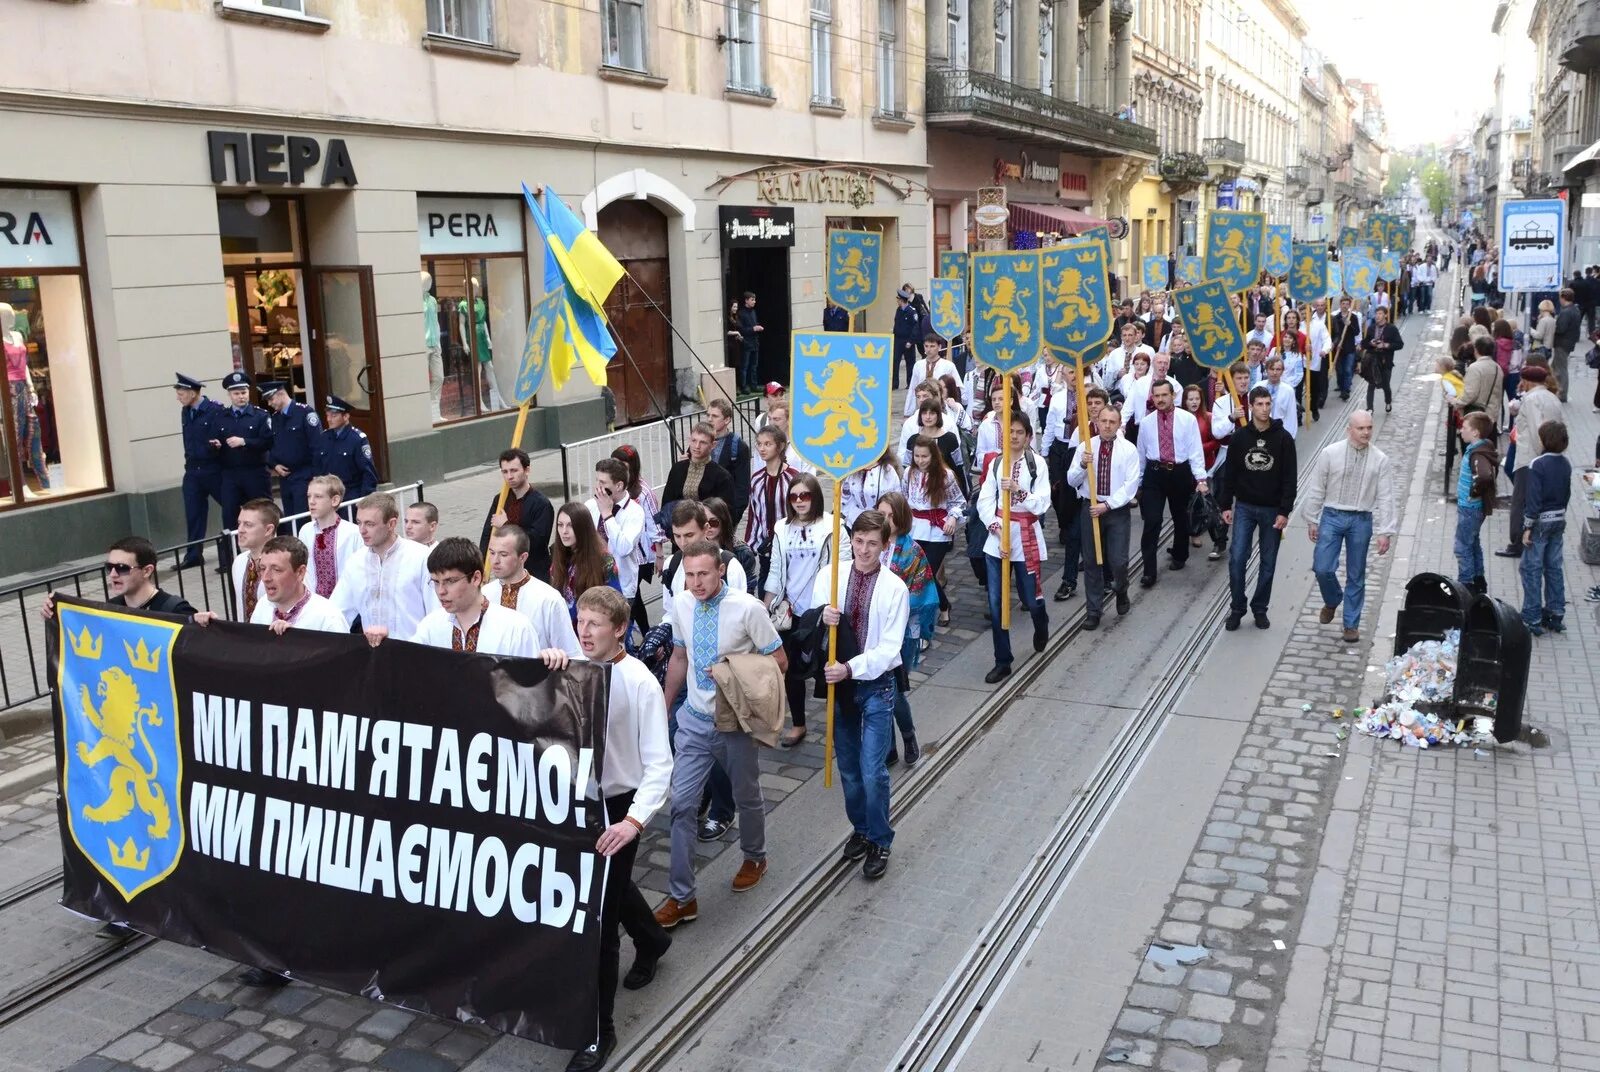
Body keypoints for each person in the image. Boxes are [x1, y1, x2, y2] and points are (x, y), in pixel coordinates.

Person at [536, 586, 673, 1072]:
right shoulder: (570, 665)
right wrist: (546, 662)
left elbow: (659, 763)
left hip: (618, 804)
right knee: (608, 890)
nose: (584, 631)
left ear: (620, 629)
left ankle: (600, 1030)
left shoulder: (639, 683)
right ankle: (654, 939)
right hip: (574, 800)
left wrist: (633, 822)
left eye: (595, 623)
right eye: (581, 621)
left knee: (597, 918)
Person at [654, 539, 787, 929]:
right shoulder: (681, 605)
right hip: (694, 720)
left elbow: (778, 662)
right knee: (680, 805)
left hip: (736, 722)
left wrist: (734, 671)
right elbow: (679, 657)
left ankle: (755, 856)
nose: (695, 583)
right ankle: (682, 898)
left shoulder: (748, 608)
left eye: (703, 574)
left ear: (721, 570)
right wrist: (664, 704)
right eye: (689, 575)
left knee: (746, 794)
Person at [816, 509, 909, 880]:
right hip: (840, 688)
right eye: (858, 541)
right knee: (850, 771)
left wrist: (851, 668)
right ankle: (863, 829)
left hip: (875, 688)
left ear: (885, 546)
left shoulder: (895, 589)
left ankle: (881, 839)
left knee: (873, 773)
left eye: (873, 543)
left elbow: (889, 650)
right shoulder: (831, 576)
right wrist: (822, 617)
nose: (864, 550)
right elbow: (811, 619)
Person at [1302, 410, 1397, 643]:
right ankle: (1333, 599)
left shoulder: (1380, 460)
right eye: (1361, 428)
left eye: (1369, 428)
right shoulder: (1330, 454)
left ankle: (1351, 624)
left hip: (1361, 519)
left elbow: (1386, 497)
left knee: (1356, 573)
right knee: (1322, 567)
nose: (1366, 432)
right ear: (1349, 430)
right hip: (1332, 515)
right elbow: (1317, 487)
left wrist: (1385, 530)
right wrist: (1312, 518)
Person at [976, 409, 1050, 682]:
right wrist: (995, 528)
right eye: (1011, 432)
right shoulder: (996, 463)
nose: (1015, 436)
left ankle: (1041, 623)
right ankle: (1002, 659)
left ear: (1028, 436)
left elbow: (1042, 503)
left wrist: (1019, 490)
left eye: (1020, 432)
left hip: (1025, 536)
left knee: (1030, 598)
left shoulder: (1037, 464)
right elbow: (984, 500)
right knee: (997, 603)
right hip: (998, 539)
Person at [1217, 386, 1298, 630]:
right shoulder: (1240, 437)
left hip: (1272, 509)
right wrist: (1225, 504)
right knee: (1237, 558)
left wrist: (1285, 510)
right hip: (1244, 506)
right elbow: (1230, 472)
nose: (1264, 409)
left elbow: (1289, 477)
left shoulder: (1283, 438)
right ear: (1251, 406)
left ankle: (1260, 607)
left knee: (1268, 562)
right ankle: (1237, 606)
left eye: (1267, 404)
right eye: (1260, 404)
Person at [376, 536, 538, 656]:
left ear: (476, 578)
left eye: (450, 581)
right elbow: (407, 663)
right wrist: (384, 643)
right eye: (435, 582)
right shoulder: (431, 626)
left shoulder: (515, 629)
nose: (441, 591)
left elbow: (530, 689)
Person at [763, 472, 832, 747]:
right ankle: (799, 723)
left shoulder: (831, 525)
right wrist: (766, 607)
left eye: (805, 495)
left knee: (824, 666)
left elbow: (840, 568)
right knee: (791, 669)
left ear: (815, 496)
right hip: (789, 609)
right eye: (794, 496)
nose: (799, 501)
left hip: (820, 608)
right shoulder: (782, 527)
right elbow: (777, 569)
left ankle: (838, 720)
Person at [1067, 404, 1141, 630]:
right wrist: (1082, 465)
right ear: (1097, 422)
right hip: (1090, 508)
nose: (1107, 425)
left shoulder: (1128, 450)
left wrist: (1107, 505)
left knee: (1118, 561)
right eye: (1103, 421)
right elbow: (1072, 480)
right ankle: (1094, 610)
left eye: (1112, 422)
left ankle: (1121, 588)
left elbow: (1131, 486)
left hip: (1115, 511)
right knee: (1091, 562)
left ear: (1119, 424)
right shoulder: (1085, 447)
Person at [331, 492, 439, 639]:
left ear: (391, 524)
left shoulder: (421, 557)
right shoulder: (356, 562)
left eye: (370, 524)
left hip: (415, 652)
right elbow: (336, 612)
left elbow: (436, 612)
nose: (362, 530)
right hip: (373, 654)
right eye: (359, 522)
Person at [1134, 380, 1208, 586]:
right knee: (1152, 521)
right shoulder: (1147, 422)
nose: (1160, 399)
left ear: (1173, 395)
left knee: (1181, 517)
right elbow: (1141, 453)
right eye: (1156, 396)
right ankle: (1149, 570)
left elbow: (1195, 451)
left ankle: (1180, 554)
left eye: (1163, 395)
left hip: (1179, 473)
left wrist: (1200, 479)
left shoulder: (1187, 419)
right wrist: (1138, 483)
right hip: (1154, 474)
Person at [876, 491, 931, 768]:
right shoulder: (872, 546)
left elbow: (919, 593)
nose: (885, 520)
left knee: (894, 689)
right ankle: (887, 745)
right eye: (881, 514)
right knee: (878, 688)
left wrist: (893, 609)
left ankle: (907, 734)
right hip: (874, 631)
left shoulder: (913, 551)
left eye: (890, 515)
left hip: (901, 632)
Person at [42, 536, 198, 621]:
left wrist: (204, 623)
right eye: (110, 567)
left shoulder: (176, 610)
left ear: (147, 571)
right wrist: (55, 614)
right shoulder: (110, 608)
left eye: (122, 568)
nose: (113, 574)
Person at [482, 525, 582, 655]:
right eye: (492, 552)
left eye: (503, 554)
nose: (494, 561)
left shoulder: (549, 599)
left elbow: (572, 654)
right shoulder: (484, 594)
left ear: (523, 557)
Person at [1499, 365, 1563, 557]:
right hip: (1548, 456)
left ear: (1527, 381)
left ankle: (1517, 542)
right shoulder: (1552, 397)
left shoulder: (1531, 399)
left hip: (1530, 459)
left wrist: (1539, 459)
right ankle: (1536, 539)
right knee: (1538, 500)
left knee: (1520, 501)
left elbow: (1537, 431)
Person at [905, 435, 965, 629]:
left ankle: (940, 607)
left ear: (933, 456)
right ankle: (941, 603)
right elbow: (903, 499)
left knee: (928, 572)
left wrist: (953, 517)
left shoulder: (945, 475)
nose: (920, 460)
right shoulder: (908, 474)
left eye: (925, 456)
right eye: (917, 456)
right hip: (915, 529)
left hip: (937, 531)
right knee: (916, 573)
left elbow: (959, 502)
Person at [1520, 419, 1572, 635]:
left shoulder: (1538, 464)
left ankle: (1532, 616)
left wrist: (1527, 526)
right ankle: (1555, 611)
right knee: (1553, 566)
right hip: (1559, 518)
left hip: (1541, 521)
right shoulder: (1566, 463)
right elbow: (1567, 493)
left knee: (1531, 568)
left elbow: (1533, 498)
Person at [244, 536, 349, 632]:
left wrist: (295, 640)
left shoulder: (328, 617)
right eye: (262, 569)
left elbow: (342, 653)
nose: (265, 578)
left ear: (300, 572)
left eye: (276, 569)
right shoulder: (263, 605)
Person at [210, 371, 273, 533]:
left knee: (263, 512)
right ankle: (233, 553)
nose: (241, 397)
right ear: (229, 395)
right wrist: (216, 445)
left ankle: (270, 547)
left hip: (255, 472)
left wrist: (244, 441)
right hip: (230, 474)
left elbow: (268, 442)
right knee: (230, 515)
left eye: (244, 392)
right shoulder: (221, 417)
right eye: (236, 393)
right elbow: (214, 439)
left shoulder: (260, 416)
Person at [480, 448, 554, 584]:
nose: (509, 476)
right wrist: (481, 566)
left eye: (514, 470)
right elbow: (487, 534)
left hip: (534, 576)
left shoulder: (541, 504)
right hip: (505, 574)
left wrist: (506, 526)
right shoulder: (500, 499)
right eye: (505, 471)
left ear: (526, 470)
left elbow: (537, 542)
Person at [174, 373, 224, 567]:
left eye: (181, 393)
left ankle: (230, 555)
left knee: (233, 508)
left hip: (214, 469)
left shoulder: (215, 410)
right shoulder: (186, 411)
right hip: (193, 471)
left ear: (193, 393)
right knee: (193, 513)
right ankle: (193, 555)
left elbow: (224, 435)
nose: (178, 397)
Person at [587, 458, 647, 611]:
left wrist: (607, 514)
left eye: (603, 483)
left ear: (619, 485)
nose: (598, 488)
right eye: (597, 481)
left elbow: (624, 548)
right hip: (592, 582)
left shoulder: (635, 512)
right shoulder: (591, 505)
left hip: (620, 588)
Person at [746, 426, 801, 584]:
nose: (762, 448)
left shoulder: (794, 477)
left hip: (791, 547)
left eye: (767, 444)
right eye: (759, 444)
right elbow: (755, 515)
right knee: (765, 591)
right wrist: (750, 546)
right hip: (767, 549)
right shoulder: (756, 479)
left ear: (781, 446)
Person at [1454, 411, 1499, 595]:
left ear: (1475, 433)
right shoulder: (1478, 449)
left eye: (1464, 428)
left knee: (1462, 546)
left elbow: (1484, 476)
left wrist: (1474, 493)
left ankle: (1466, 584)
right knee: (1473, 544)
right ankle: (1478, 579)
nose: (1460, 431)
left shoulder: (1476, 454)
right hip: (1472, 508)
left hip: (1470, 508)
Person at [552, 501, 621, 623]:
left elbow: (615, 602)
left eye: (570, 525)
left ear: (583, 528)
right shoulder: (560, 555)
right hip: (565, 628)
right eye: (560, 525)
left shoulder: (604, 560)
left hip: (594, 627)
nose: (564, 531)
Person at [260, 381, 320, 517]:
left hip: (304, 475)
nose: (269, 403)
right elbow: (272, 445)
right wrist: (274, 465)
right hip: (285, 477)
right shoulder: (275, 418)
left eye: (271, 399)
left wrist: (316, 476)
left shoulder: (305, 412)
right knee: (290, 518)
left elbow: (317, 446)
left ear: (281, 394)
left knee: (303, 519)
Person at [296, 475, 361, 599]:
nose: (311, 501)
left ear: (335, 500)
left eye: (318, 496)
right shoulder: (306, 530)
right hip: (313, 602)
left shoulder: (353, 533)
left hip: (346, 603)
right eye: (309, 496)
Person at [1184, 383, 1227, 560]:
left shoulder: (1209, 417)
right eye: (1190, 399)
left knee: (1210, 504)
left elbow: (1217, 440)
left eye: (1197, 398)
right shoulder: (1181, 418)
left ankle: (1217, 538)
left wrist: (1199, 448)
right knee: (1190, 502)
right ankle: (1193, 532)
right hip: (1186, 468)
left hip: (1207, 466)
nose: (1194, 402)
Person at [311, 395, 378, 502]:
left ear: (346, 416)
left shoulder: (357, 439)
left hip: (350, 497)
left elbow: (368, 473)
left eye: (334, 416)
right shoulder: (324, 438)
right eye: (327, 415)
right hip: (328, 497)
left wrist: (364, 500)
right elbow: (317, 469)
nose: (329, 419)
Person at [661, 423, 736, 518]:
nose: (697, 446)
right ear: (689, 440)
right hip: (678, 526)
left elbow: (726, 511)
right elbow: (666, 503)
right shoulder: (677, 469)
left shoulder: (722, 476)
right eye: (694, 440)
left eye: (703, 442)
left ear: (713, 445)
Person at [229, 498, 279, 622]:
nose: (240, 530)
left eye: (248, 525)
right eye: (239, 523)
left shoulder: (284, 563)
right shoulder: (239, 562)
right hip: (245, 637)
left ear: (268, 530)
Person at [705, 398, 752, 526]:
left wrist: (732, 518)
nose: (709, 419)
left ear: (727, 420)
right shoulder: (700, 442)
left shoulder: (738, 447)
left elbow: (742, 488)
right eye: (708, 415)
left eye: (714, 416)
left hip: (725, 514)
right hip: (700, 513)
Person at [701, 496, 760, 596]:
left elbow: (748, 589)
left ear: (723, 521)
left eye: (713, 522)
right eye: (703, 522)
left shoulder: (742, 552)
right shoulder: (696, 549)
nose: (708, 527)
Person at [839, 447, 902, 531]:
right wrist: (852, 515)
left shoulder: (888, 470)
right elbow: (845, 498)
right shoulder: (852, 469)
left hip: (880, 525)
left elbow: (895, 499)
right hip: (855, 524)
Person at [1359, 306, 1402, 414]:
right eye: (1376, 314)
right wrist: (1370, 343)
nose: (1377, 316)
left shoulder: (1392, 329)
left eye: (1380, 314)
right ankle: (1369, 408)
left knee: (1386, 385)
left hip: (1385, 361)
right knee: (1371, 384)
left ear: (1386, 315)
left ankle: (1388, 401)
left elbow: (1400, 344)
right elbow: (1364, 343)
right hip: (1373, 360)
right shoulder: (1371, 328)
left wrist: (1386, 345)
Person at [904, 336, 958, 416]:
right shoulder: (918, 365)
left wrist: (954, 407)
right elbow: (913, 388)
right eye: (926, 346)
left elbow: (957, 388)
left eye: (932, 346)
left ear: (939, 347)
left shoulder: (948, 365)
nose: (929, 349)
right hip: (922, 407)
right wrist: (908, 412)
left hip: (942, 408)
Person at [1330, 296, 1362, 401]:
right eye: (1343, 304)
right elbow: (1334, 334)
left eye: (1347, 304)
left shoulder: (1353, 317)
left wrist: (1350, 325)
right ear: (1340, 305)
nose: (1344, 306)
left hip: (1349, 348)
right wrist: (1336, 343)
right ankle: (1341, 385)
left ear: (1349, 305)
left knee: (1348, 370)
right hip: (1339, 348)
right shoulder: (1336, 318)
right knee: (1340, 371)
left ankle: (1346, 390)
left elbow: (1357, 331)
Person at [1261, 355, 1299, 440]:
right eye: (1271, 369)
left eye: (1278, 369)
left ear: (1282, 371)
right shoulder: (1258, 387)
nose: (1274, 372)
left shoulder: (1288, 390)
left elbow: (1291, 415)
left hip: (1280, 433)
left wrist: (1290, 437)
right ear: (1266, 370)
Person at [893, 286, 923, 391]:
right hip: (898, 340)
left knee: (910, 362)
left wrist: (911, 341)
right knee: (895, 361)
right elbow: (896, 324)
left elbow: (915, 327)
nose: (897, 301)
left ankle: (910, 383)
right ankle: (894, 383)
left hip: (908, 340)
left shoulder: (911, 311)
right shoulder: (898, 310)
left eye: (898, 299)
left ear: (902, 300)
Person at [1553, 287, 1581, 402]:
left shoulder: (1566, 312)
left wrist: (1555, 325)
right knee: (1554, 367)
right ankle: (1554, 389)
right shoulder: (1575, 309)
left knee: (1560, 369)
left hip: (1562, 343)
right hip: (1569, 342)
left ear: (1563, 298)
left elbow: (1561, 329)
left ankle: (1562, 394)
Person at [734, 291, 764, 394]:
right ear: (746, 300)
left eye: (754, 299)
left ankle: (754, 385)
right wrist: (753, 329)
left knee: (754, 366)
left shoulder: (753, 312)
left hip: (755, 343)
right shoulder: (741, 313)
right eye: (752, 300)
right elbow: (741, 330)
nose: (754, 302)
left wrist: (757, 328)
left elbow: (754, 325)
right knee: (745, 366)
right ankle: (744, 386)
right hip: (746, 343)